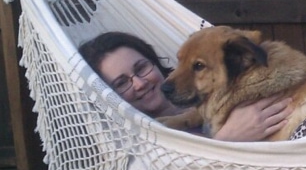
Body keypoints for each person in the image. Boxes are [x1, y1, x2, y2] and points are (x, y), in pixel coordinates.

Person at [79, 31, 293, 141]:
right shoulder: (141, 142)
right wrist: (229, 138)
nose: (140, 83)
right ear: (108, 96)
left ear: (153, 60)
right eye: (121, 83)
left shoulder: (209, 92)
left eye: (141, 67)